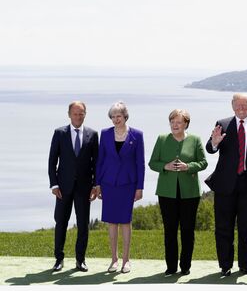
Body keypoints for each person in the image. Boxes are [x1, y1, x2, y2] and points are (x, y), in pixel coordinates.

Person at [205, 93, 247, 276]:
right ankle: (225, 265)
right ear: (232, 106)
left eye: (245, 105)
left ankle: (244, 264)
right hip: (225, 185)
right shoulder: (222, 124)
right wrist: (215, 142)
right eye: (238, 105)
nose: (241, 108)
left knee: (245, 228)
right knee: (223, 227)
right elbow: (210, 148)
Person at [149, 109, 208, 276]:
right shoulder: (161, 139)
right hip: (166, 193)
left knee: (188, 231)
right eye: (172, 122)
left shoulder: (195, 139)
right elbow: (152, 163)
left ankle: (185, 266)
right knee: (170, 230)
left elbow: (203, 163)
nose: (175, 125)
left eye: (179, 122)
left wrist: (188, 167)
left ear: (186, 124)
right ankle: (171, 266)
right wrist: (164, 166)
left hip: (190, 193)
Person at [48, 101, 98, 272]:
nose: (78, 116)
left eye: (81, 113)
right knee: (61, 222)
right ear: (69, 114)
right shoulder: (59, 133)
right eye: (75, 113)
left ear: (85, 114)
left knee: (83, 225)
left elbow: (96, 163)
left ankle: (80, 260)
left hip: (84, 188)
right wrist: (54, 184)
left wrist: (95, 185)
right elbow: (52, 161)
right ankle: (58, 259)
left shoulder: (92, 134)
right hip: (63, 187)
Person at [96, 101, 145, 273]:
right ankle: (114, 260)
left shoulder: (137, 135)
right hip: (108, 184)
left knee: (125, 222)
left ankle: (126, 260)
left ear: (125, 116)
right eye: (113, 117)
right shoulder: (105, 134)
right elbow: (100, 160)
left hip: (128, 184)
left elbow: (140, 163)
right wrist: (97, 184)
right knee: (112, 222)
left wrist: (140, 187)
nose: (116, 119)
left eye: (119, 116)